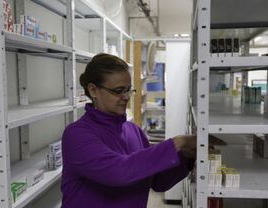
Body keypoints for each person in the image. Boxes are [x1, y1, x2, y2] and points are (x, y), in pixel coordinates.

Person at [61, 53, 203, 208]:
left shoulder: (133, 131)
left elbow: (157, 180)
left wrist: (186, 157)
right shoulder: (77, 135)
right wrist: (177, 142)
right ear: (93, 90)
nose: (126, 96)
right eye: (118, 90)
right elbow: (119, 172)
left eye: (128, 90)